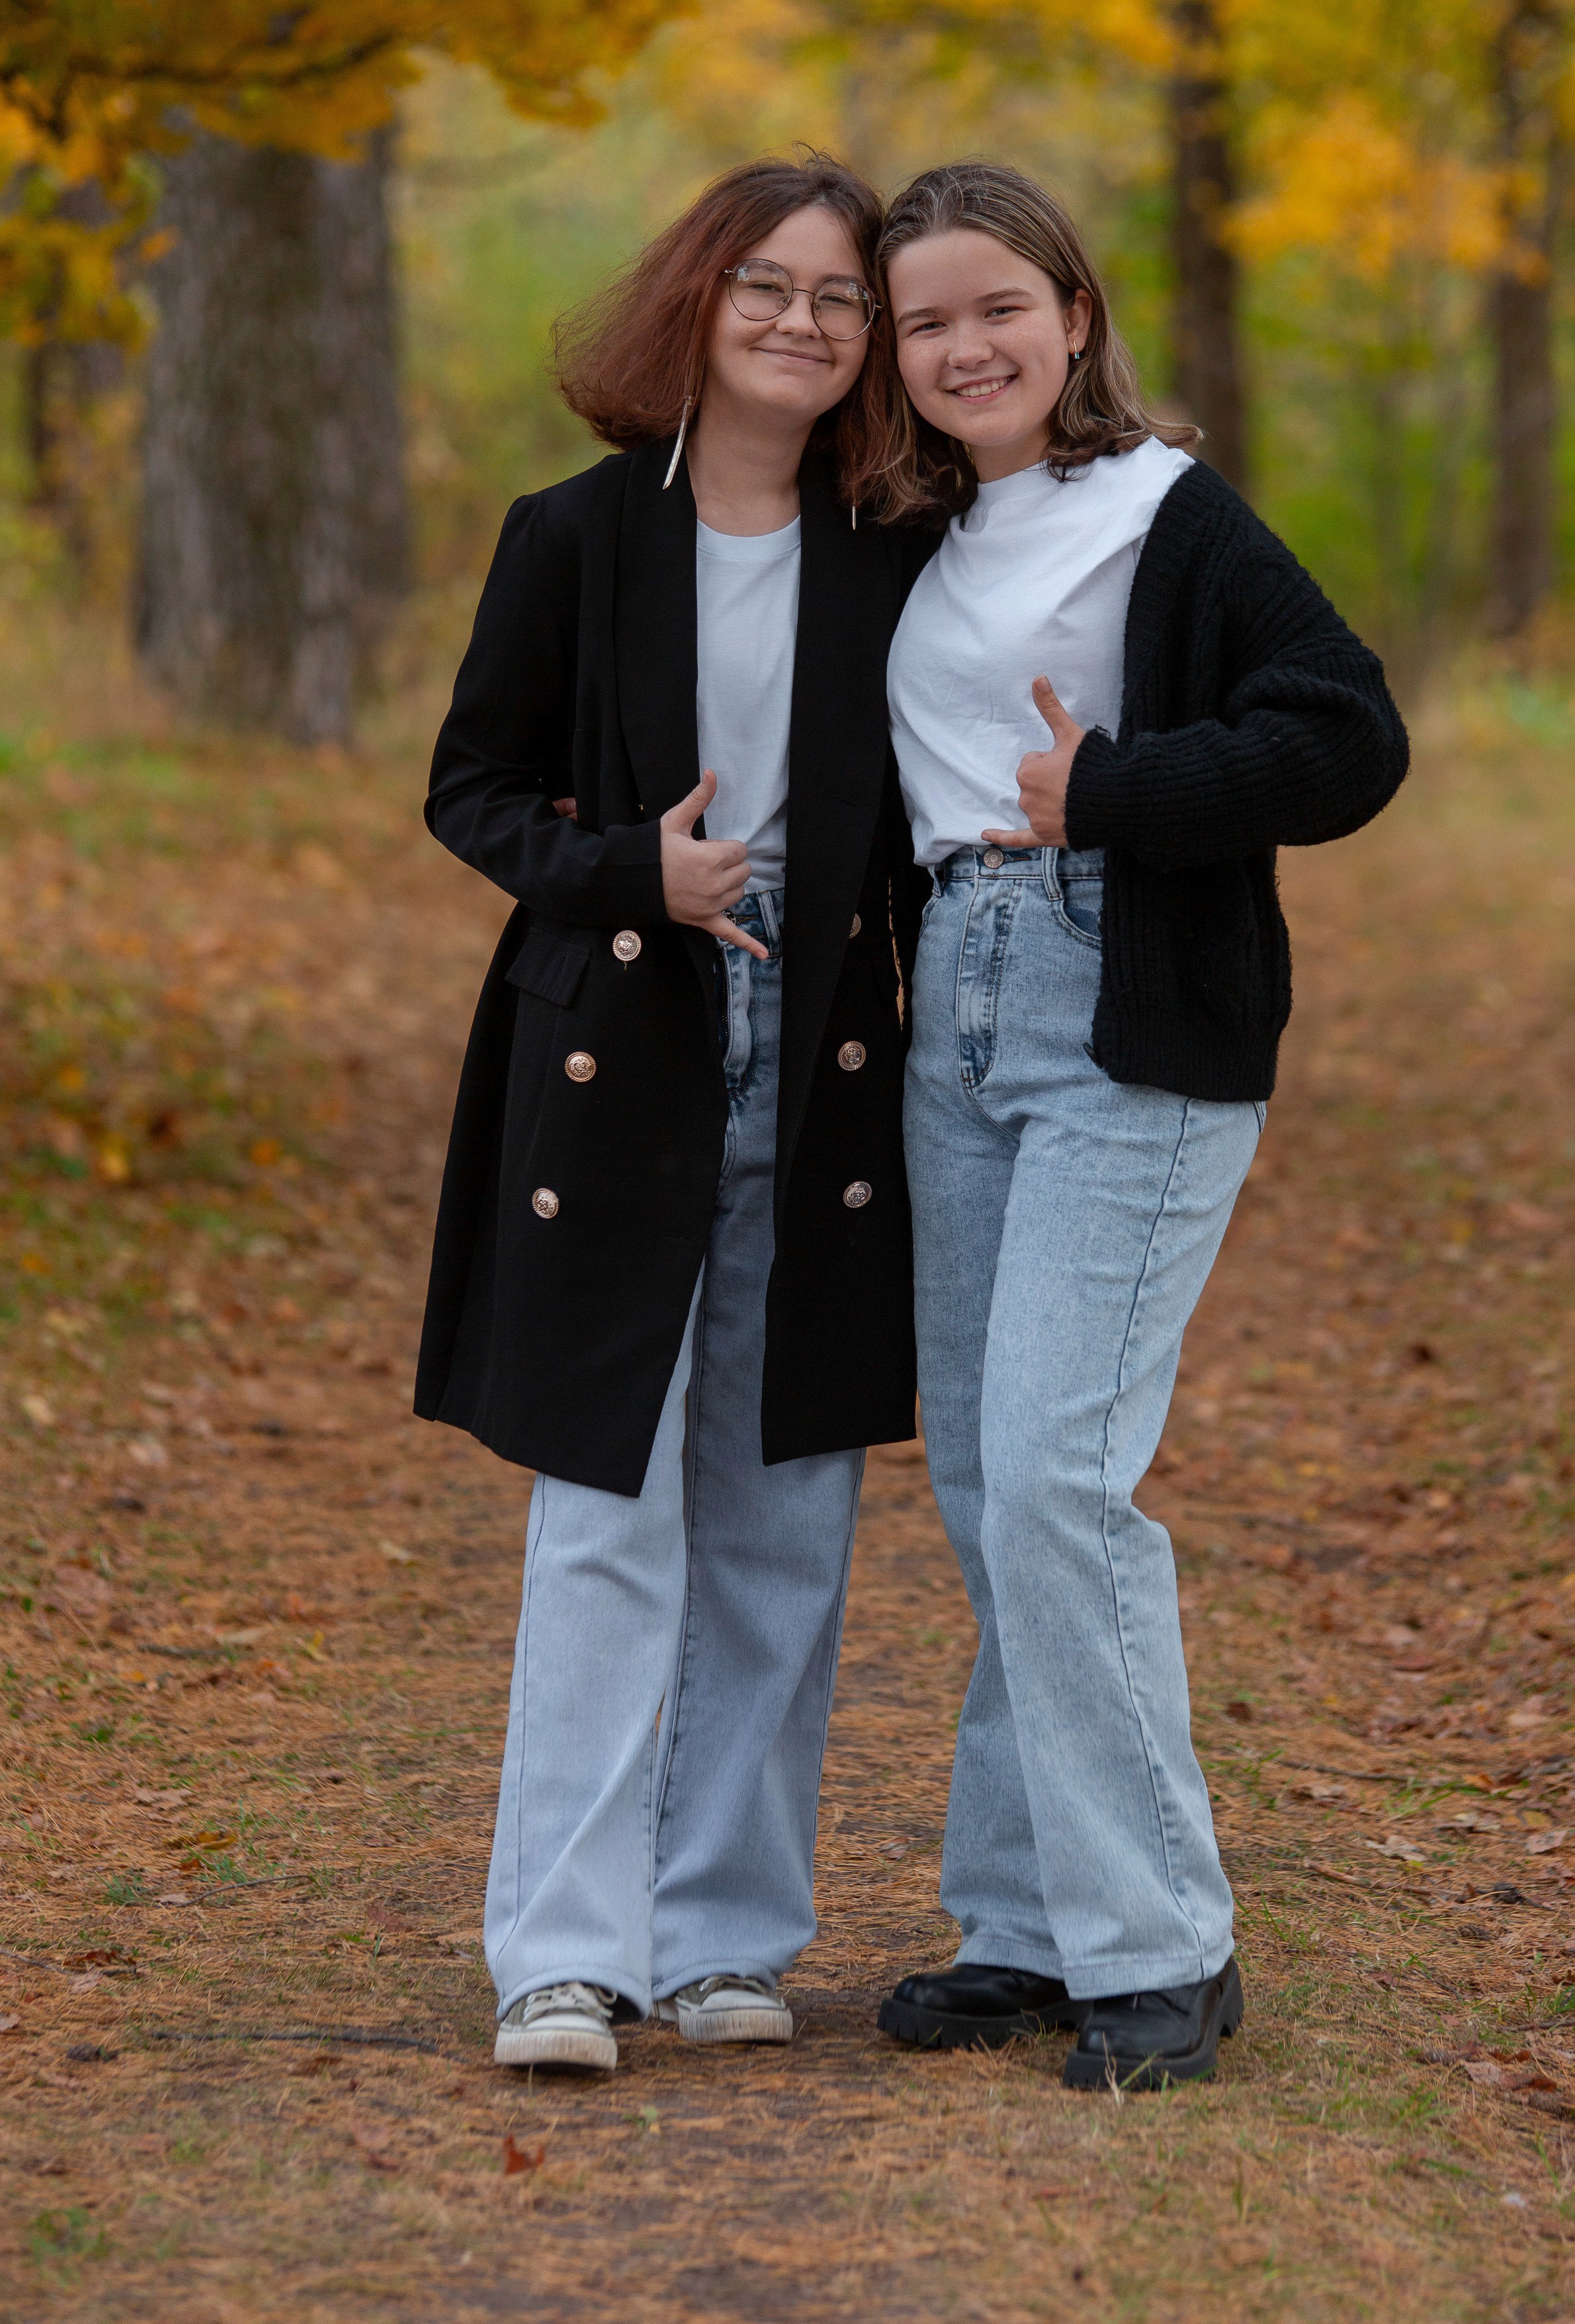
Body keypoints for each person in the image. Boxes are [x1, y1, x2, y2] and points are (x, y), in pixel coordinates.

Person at [848, 161, 1409, 2093]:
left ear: (1074, 316)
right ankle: (1025, 1924)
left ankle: (1166, 1946)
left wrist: (1114, 792)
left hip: (1128, 1013)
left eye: (1001, 305)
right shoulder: (905, 536)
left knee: (1060, 1476)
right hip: (958, 1024)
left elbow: (1348, 735)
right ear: (895, 358)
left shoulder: (1163, 507)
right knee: (991, 1490)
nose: (969, 345)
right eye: (927, 322)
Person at [414, 155, 928, 2075]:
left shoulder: (899, 546)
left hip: (828, 1064)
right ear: (696, 301)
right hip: (619, 1045)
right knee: (607, 1512)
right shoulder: (570, 537)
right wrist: (640, 868)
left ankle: (725, 1931)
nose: (806, 321)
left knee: (788, 1513)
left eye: (843, 300)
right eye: (770, 286)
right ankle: (560, 1948)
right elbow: (473, 792)